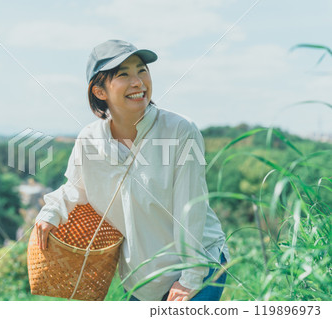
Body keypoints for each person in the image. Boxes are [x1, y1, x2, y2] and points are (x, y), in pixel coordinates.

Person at [35, 39, 230, 301]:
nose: (138, 82)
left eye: (142, 70)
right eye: (124, 74)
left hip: (199, 266)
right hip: (142, 277)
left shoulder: (180, 131)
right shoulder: (90, 140)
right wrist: (51, 211)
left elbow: (191, 208)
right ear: (100, 91)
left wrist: (191, 278)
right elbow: (76, 188)